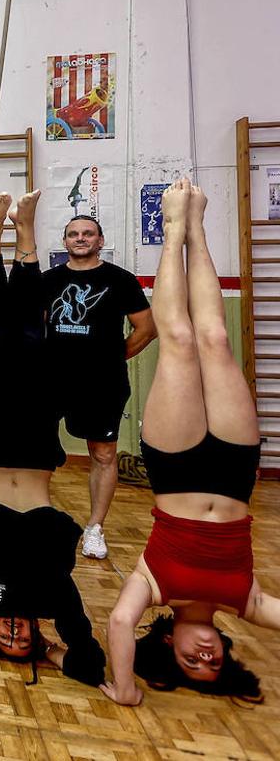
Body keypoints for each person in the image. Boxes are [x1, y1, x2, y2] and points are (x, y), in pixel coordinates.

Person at [102, 178, 277, 706]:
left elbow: (117, 620)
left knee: (178, 341)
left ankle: (171, 228)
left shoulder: (155, 585)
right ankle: (195, 227)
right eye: (213, 663)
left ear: (167, 644)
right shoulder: (245, 602)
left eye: (189, 662)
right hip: (234, 471)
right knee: (216, 338)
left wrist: (127, 686)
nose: (205, 656)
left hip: (174, 468)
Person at [0, 189, 106, 687]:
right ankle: (25, 228)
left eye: (3, 639)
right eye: (21, 640)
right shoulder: (51, 592)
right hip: (33, 449)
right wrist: (52, 653)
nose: (12, 632)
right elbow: (90, 662)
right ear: (34, 632)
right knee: (30, 333)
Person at [42, 214, 155, 558]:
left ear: (100, 240)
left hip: (102, 384)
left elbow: (146, 329)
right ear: (65, 242)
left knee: (103, 455)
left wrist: (113, 357)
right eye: (73, 234)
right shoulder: (48, 280)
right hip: (52, 380)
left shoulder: (120, 280)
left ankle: (94, 528)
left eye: (87, 233)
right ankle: (39, 519)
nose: (80, 239)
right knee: (37, 451)